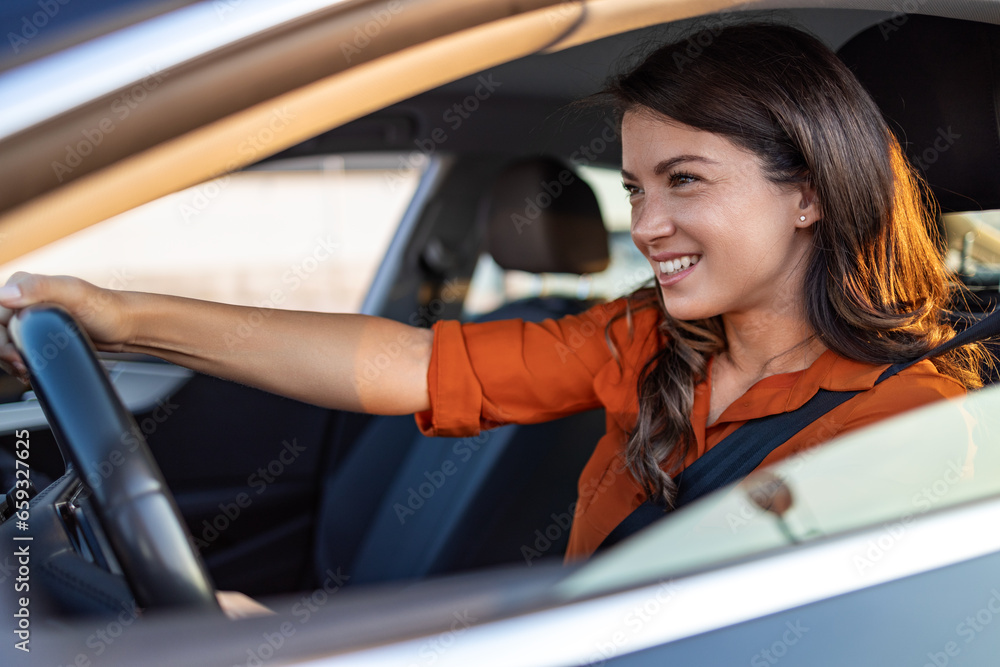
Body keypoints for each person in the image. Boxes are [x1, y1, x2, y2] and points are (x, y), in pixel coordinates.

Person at [0, 23, 983, 566]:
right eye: (636, 188)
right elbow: (409, 364)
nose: (642, 226)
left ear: (808, 191)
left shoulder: (914, 426)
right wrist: (120, 315)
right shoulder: (648, 339)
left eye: (685, 181)